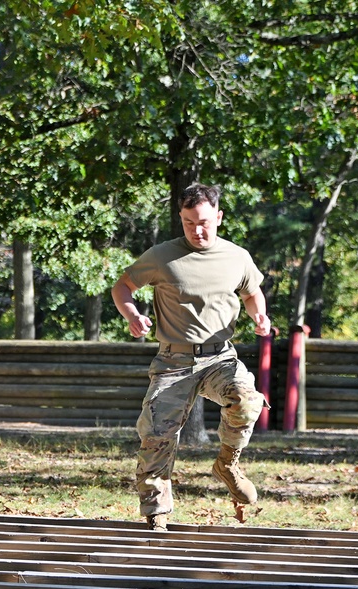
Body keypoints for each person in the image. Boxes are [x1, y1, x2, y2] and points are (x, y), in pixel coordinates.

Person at [111, 183, 271, 531]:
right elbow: (122, 287)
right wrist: (132, 315)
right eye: (188, 223)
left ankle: (227, 463)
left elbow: (252, 293)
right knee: (156, 434)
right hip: (174, 361)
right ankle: (157, 512)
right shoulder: (161, 256)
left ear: (219, 216)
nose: (197, 230)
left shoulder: (237, 256)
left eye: (203, 222)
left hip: (219, 358)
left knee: (246, 399)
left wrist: (260, 315)